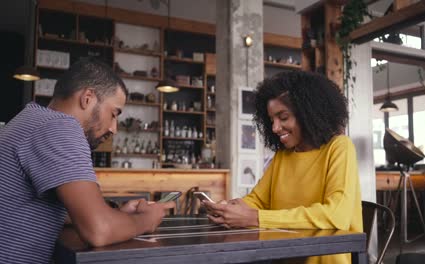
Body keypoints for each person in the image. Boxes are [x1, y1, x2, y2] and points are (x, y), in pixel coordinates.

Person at [0, 57, 174, 264]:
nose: (114, 128)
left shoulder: (31, 119)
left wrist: (116, 213)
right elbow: (98, 231)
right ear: (88, 98)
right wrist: (148, 219)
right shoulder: (60, 127)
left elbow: (45, 209)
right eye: (113, 113)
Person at [203, 71, 363, 264]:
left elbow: (336, 215)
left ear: (308, 113)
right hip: (282, 258)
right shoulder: (283, 156)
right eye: (272, 120)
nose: (275, 128)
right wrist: (228, 209)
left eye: (283, 117)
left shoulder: (339, 147)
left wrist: (256, 219)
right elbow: (258, 200)